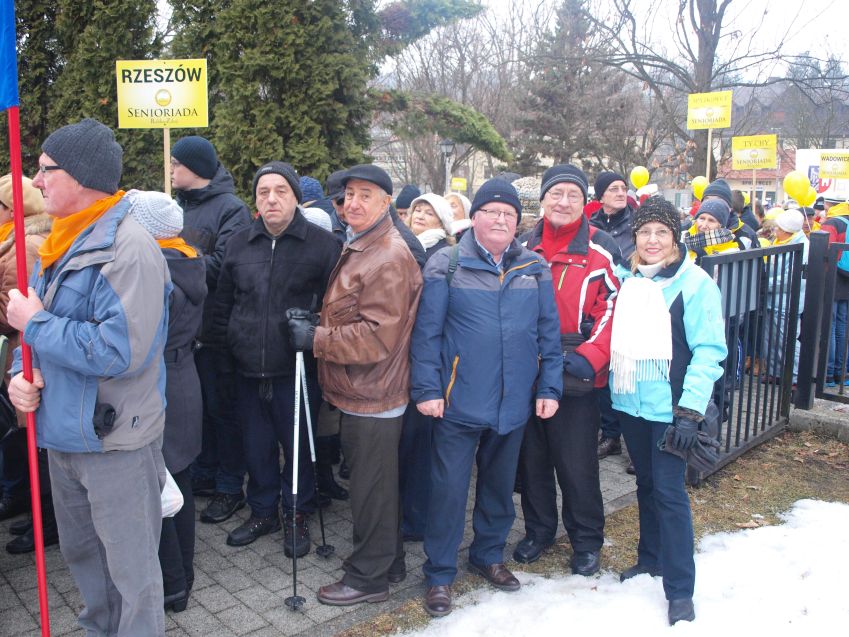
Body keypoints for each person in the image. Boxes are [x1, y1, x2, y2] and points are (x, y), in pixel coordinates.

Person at [7, 118, 171, 634]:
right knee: (84, 559)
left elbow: (120, 351)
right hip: (62, 434)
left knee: (132, 574)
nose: (36, 181)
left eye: (46, 169)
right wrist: (20, 375)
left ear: (80, 176)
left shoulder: (129, 248)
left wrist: (35, 325)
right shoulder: (60, 243)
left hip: (115, 441)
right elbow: (33, 334)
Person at [411, 177, 562, 618]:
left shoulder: (534, 267)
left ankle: (488, 555)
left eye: (508, 214)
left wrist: (549, 387)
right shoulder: (447, 264)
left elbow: (548, 333)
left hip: (513, 403)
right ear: (473, 217)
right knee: (448, 492)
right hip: (457, 402)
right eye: (491, 211)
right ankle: (440, 573)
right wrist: (427, 389)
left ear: (518, 222)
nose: (500, 219)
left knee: (498, 488)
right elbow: (427, 333)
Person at [286, 164, 422, 606]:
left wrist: (315, 338)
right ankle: (389, 561)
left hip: (375, 392)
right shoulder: (363, 243)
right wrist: (317, 321)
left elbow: (378, 337)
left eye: (366, 194)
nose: (354, 203)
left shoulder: (388, 255)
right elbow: (354, 311)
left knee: (371, 491)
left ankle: (369, 579)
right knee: (376, 486)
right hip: (362, 389)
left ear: (386, 202)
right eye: (348, 195)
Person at [211, 162, 341, 553]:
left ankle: (296, 512)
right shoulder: (239, 243)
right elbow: (223, 305)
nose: (271, 199)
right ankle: (263, 510)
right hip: (247, 367)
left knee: (297, 447)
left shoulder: (322, 245)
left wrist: (314, 329)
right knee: (256, 446)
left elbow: (336, 309)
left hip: (297, 369)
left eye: (280, 191)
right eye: (263, 191)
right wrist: (224, 358)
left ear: (296, 197)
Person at [609, 196, 727, 626]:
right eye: (644, 232)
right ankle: (650, 558)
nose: (652, 240)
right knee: (646, 484)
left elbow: (708, 351)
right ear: (635, 237)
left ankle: (680, 590)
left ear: (675, 237)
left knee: (670, 494)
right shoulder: (627, 280)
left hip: (672, 410)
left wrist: (690, 411)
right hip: (631, 404)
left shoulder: (694, 284)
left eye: (661, 232)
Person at [515, 165, 619, 575]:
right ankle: (539, 531)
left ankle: (586, 540)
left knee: (577, 465)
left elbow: (613, 308)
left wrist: (590, 357)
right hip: (528, 370)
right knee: (533, 461)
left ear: (584, 202)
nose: (563, 202)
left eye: (572, 195)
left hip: (575, 372)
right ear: (542, 199)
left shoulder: (600, 249)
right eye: (555, 193)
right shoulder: (523, 246)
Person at [128, 190, 206, 613]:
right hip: (183, 376)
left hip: (160, 381)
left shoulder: (156, 270)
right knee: (179, 477)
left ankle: (173, 582)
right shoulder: (187, 259)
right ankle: (182, 577)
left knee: (159, 482)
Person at [170, 135, 252, 524]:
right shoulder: (177, 207)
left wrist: (175, 261)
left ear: (196, 168)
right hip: (186, 330)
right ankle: (205, 472)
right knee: (199, 410)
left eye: (176, 164)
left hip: (217, 328)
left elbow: (226, 264)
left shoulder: (231, 209)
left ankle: (230, 486)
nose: (171, 170)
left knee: (223, 410)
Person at [0, 174, 54, 553]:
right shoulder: (13, 240)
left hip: (28, 353)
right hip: (19, 354)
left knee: (39, 444)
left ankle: (48, 522)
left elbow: (17, 306)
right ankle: (35, 511)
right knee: (26, 442)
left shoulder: (27, 245)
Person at [589, 171, 634, 462]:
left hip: (630, 306)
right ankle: (610, 434)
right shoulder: (591, 226)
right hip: (601, 305)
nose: (620, 193)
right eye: (613, 188)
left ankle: (634, 441)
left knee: (628, 372)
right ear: (601, 195)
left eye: (623, 188)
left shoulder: (637, 224)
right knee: (604, 373)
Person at [762, 209, 808, 384]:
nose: (775, 231)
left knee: (787, 340)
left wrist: (765, 284)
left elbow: (791, 278)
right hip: (773, 300)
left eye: (778, 228)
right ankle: (775, 372)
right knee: (771, 339)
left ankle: (795, 377)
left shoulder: (802, 247)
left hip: (786, 302)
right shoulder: (782, 241)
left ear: (788, 230)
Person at [820, 194, 849, 385]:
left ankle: (828, 373)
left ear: (828, 205)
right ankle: (842, 372)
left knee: (829, 326)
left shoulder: (832, 223)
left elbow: (824, 251)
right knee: (842, 326)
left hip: (833, 277)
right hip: (847, 280)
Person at [683, 199, 742, 263]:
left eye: (711, 220)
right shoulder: (681, 239)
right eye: (702, 218)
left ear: (720, 225)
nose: (704, 225)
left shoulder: (730, 252)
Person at [408, 193, 455, 259]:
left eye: (429, 214)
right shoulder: (402, 241)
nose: (420, 216)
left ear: (442, 223)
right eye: (418, 210)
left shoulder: (444, 254)